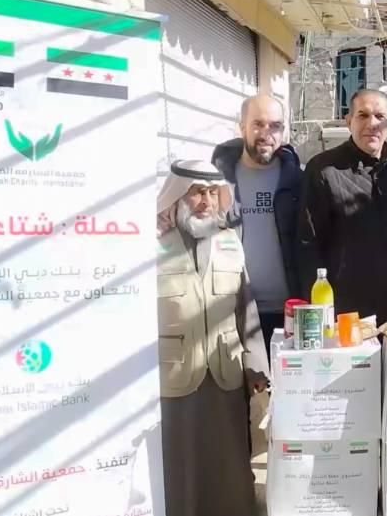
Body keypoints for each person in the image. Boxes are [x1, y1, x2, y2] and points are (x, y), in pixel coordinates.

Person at [155, 160, 269, 516]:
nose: (206, 202)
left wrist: (256, 365)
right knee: (180, 465)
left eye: (211, 193)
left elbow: (246, 307)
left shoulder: (230, 241)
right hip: (173, 376)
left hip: (225, 370)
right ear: (177, 196)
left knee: (227, 463)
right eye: (196, 193)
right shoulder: (152, 245)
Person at [297, 89, 387, 323]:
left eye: (380, 117)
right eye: (363, 115)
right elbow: (308, 244)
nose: (372, 124)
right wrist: (318, 312)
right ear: (348, 121)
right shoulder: (323, 170)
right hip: (346, 310)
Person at [211, 94, 302, 358]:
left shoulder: (300, 181)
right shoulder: (215, 182)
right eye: (258, 124)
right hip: (231, 314)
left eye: (275, 126)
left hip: (290, 315)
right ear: (242, 127)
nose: (266, 134)